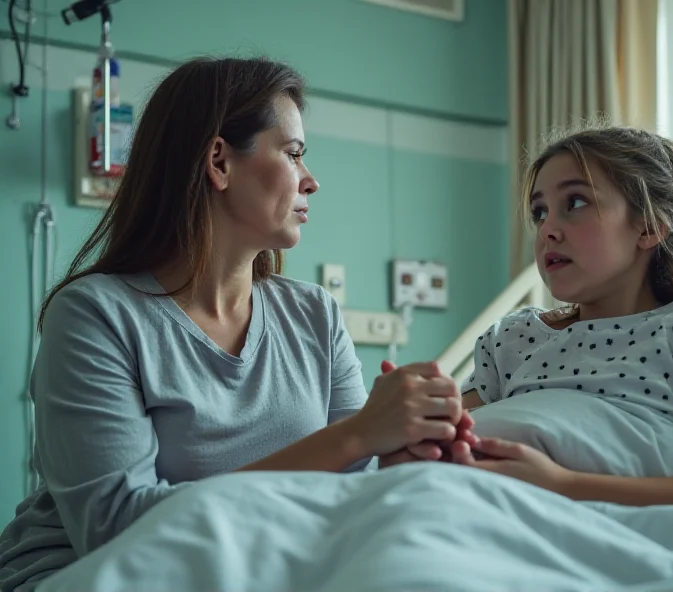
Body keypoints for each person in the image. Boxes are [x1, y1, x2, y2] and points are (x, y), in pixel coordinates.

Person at [0, 57, 475, 592]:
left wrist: (403, 452)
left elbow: (348, 485)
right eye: (294, 154)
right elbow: (116, 530)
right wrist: (359, 434)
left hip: (254, 568)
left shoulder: (315, 315)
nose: (311, 181)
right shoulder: (94, 316)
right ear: (219, 161)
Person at [448, 126, 673, 507]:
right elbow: (449, 438)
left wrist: (562, 484)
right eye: (539, 213)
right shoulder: (512, 337)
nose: (547, 232)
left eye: (575, 203)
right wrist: (413, 414)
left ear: (650, 227)